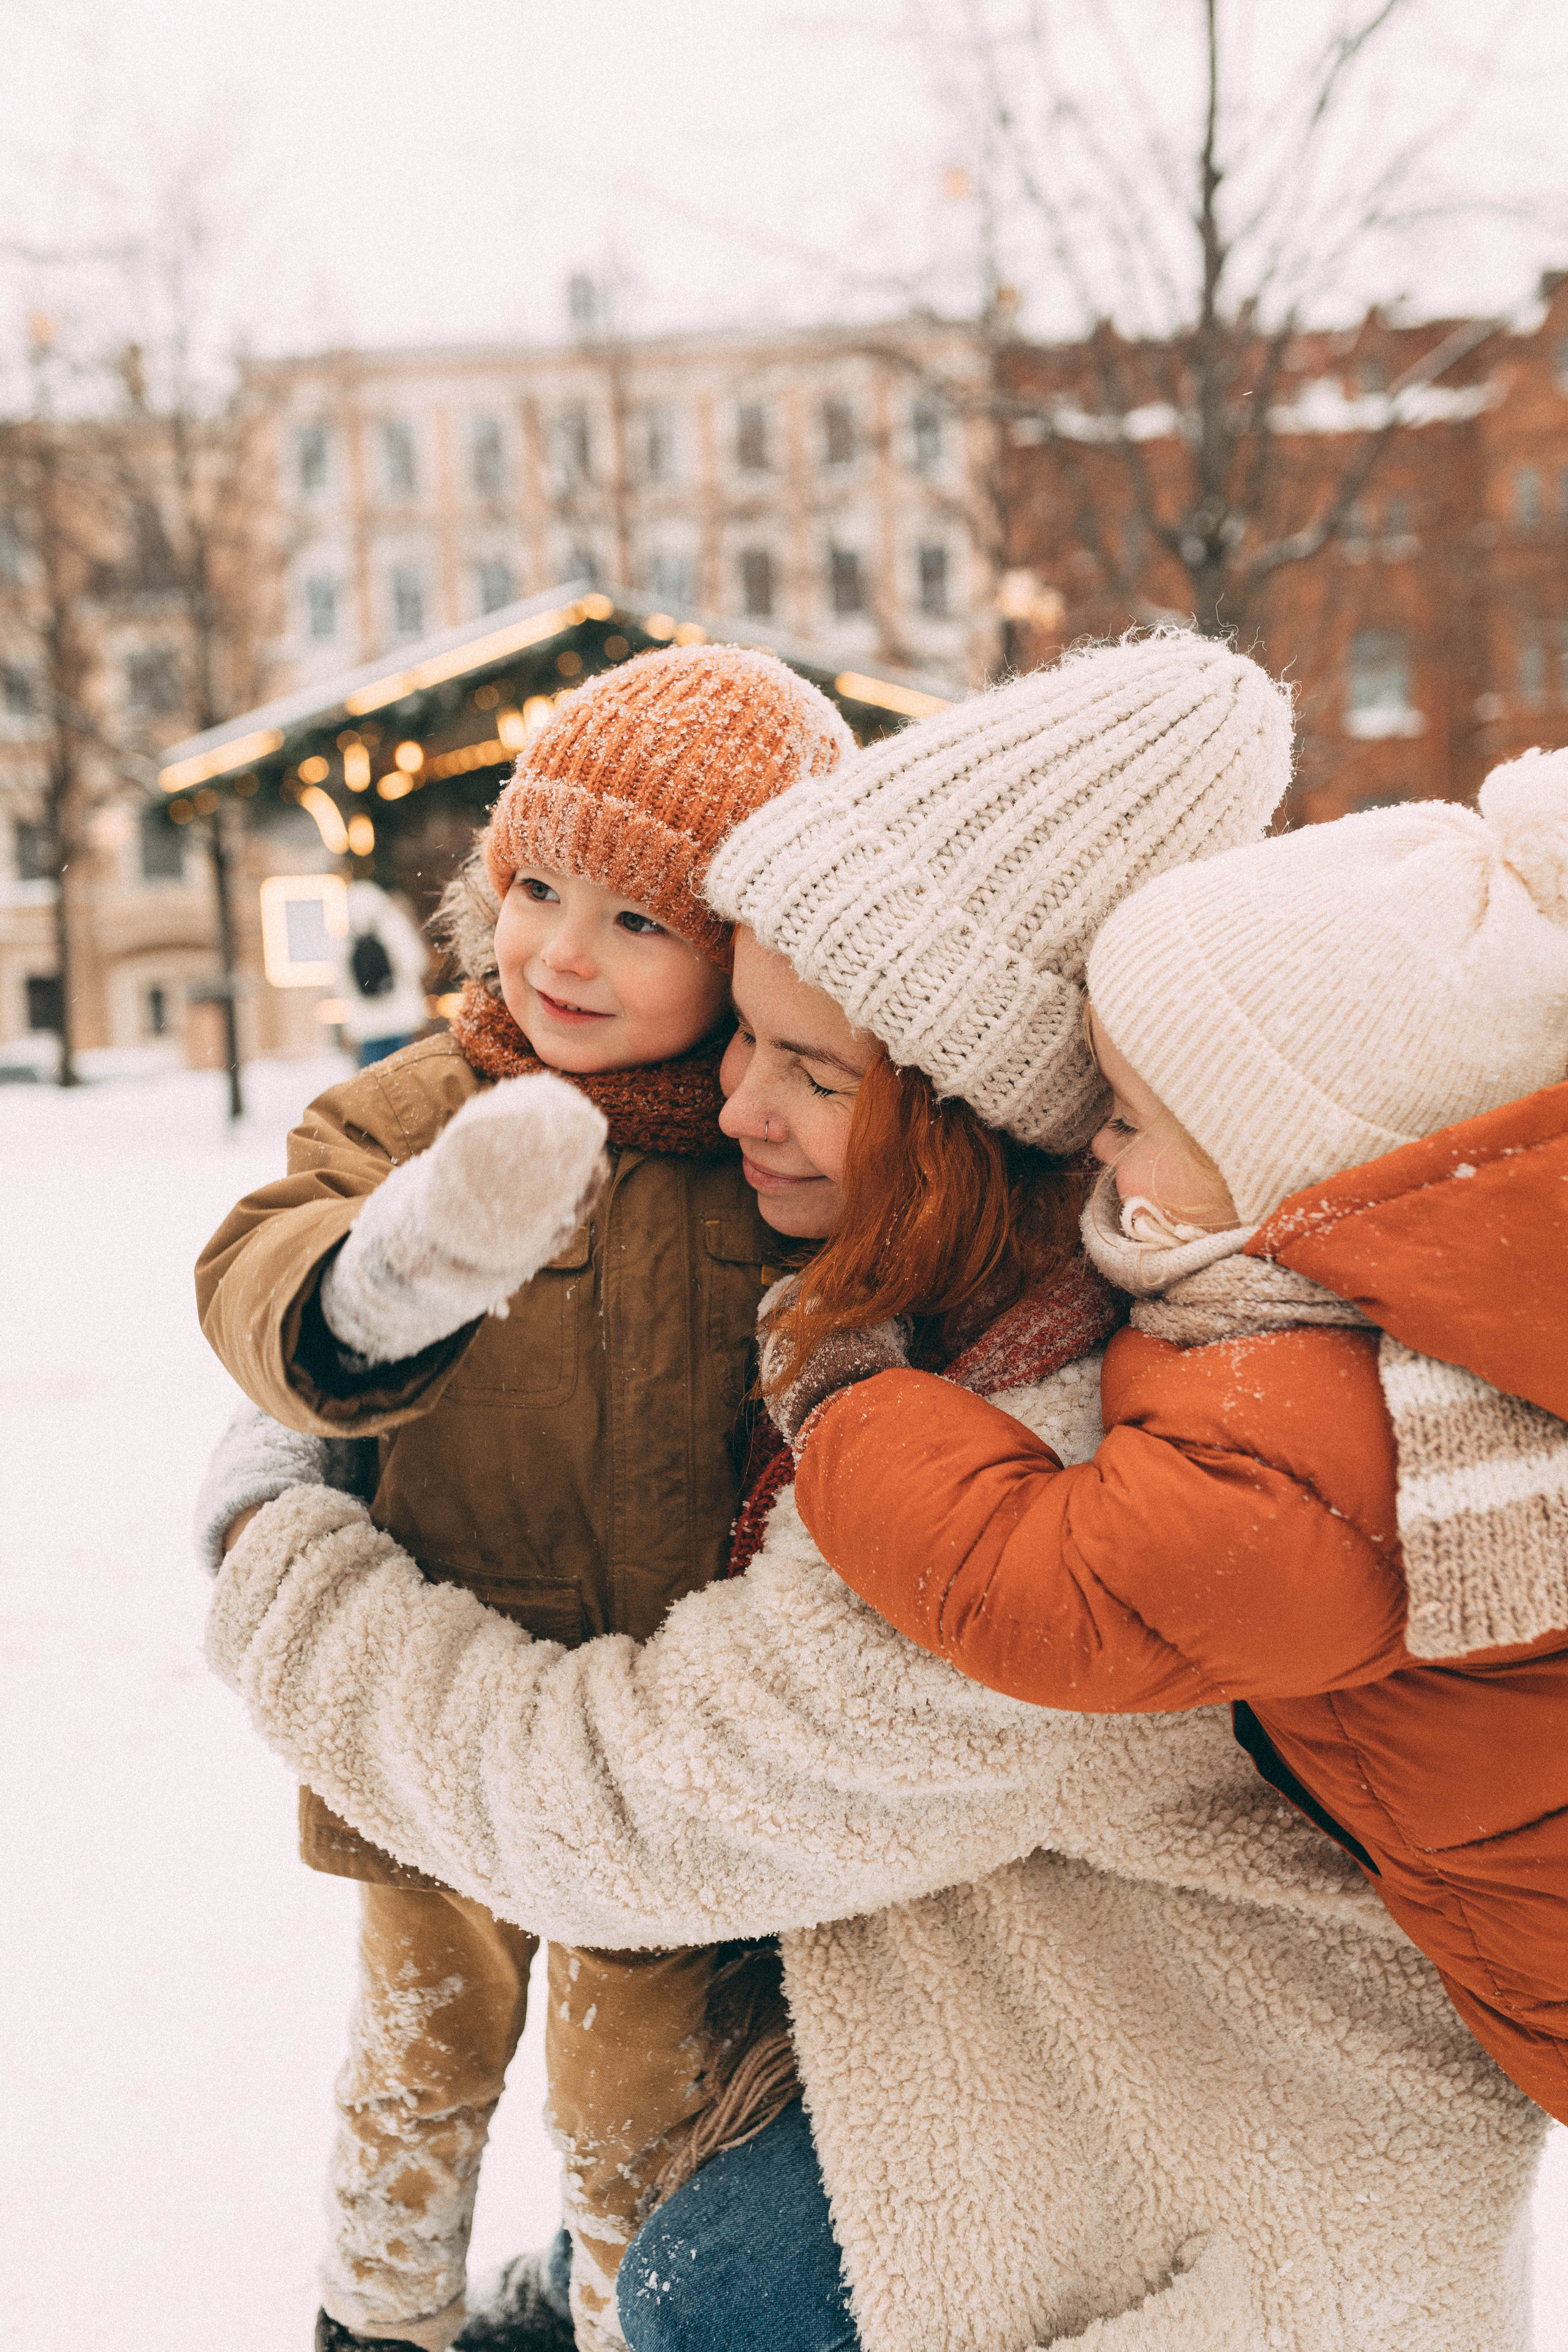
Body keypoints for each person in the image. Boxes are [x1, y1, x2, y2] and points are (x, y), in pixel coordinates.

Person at [203, 633, 1551, 2352]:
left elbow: (616, 1813)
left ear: (977, 1112)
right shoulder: (1020, 1270)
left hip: (1252, 2209)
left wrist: (275, 1559)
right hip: (1085, 2003)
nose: (731, 1106)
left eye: (813, 1073)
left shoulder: (1079, 1471)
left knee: (716, 2292)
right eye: (741, 1036)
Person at [192, 644, 852, 2352]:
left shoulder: (763, 1151)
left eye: (641, 922)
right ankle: (379, 2319)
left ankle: (614, 2321)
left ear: (750, 953)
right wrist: (385, 1281)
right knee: (420, 2055)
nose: (563, 951)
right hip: (433, 1723)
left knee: (635, 2095)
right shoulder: (429, 1104)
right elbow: (260, 1263)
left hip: (650, 1761)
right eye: (540, 888)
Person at [783, 748, 1568, 2124]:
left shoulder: (1327, 1446)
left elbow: (1041, 1591)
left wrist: (842, 1392)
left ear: (1285, 1166)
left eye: (1132, 1120)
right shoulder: (1430, 1301)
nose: (1095, 1152)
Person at [337, 878, 435, 1068]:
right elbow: (416, 963)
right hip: (401, 1021)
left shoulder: (346, 937)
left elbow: (340, 984)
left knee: (374, 1085)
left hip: (366, 1028)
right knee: (406, 1077)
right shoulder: (393, 924)